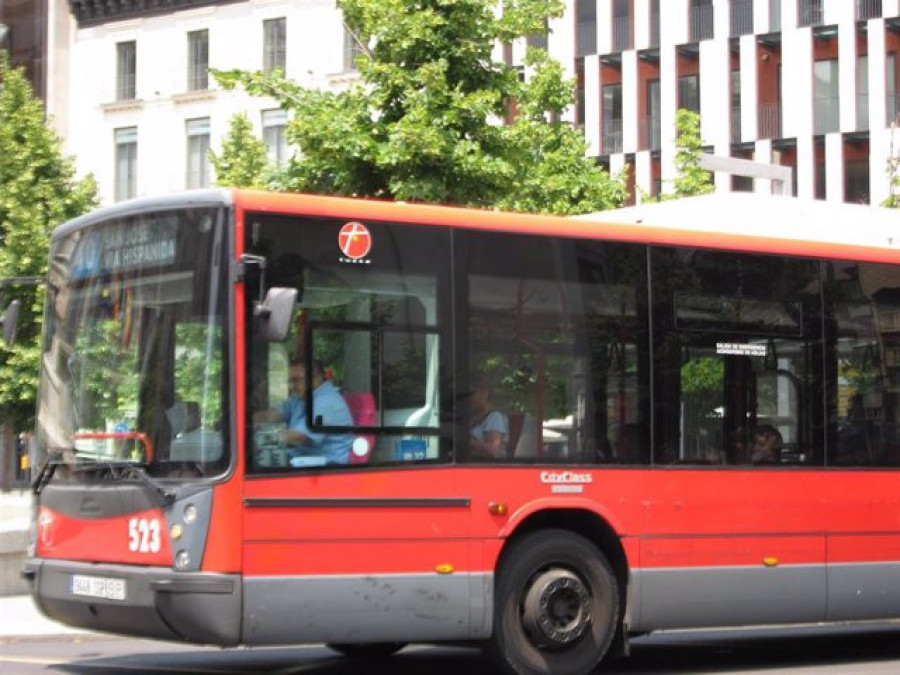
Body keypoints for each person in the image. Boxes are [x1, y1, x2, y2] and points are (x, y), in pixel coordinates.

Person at [259, 359, 354, 465]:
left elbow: (298, 437)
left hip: (326, 468)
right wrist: (246, 421)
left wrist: (264, 438)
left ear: (314, 378)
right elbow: (274, 415)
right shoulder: (301, 396)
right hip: (302, 459)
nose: (291, 386)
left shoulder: (327, 403)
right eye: (290, 381)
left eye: (295, 380)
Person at [469, 374, 508, 459]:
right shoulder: (469, 417)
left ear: (485, 392)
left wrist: (466, 441)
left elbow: (494, 450)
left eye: (471, 394)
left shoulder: (494, 418)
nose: (469, 399)